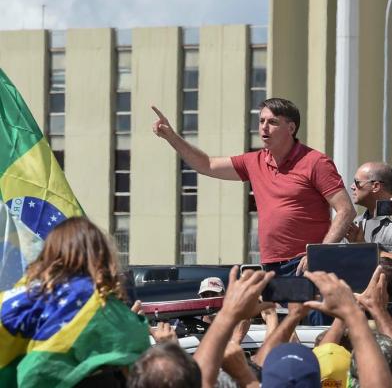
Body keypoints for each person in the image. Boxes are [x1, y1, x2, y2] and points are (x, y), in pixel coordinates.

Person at [152, 98, 355, 275]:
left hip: (307, 264)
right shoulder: (253, 161)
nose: (264, 127)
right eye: (261, 121)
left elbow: (346, 210)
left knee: (311, 321)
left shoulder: (316, 161)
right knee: (280, 321)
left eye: (272, 122)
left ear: (291, 128)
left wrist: (319, 253)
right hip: (270, 265)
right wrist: (171, 137)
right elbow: (206, 165)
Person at [0, 217, 150, 388]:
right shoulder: (101, 303)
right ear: (100, 255)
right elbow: (136, 352)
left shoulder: (13, 300)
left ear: (49, 252)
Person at [347, 162, 392, 296]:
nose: (352, 186)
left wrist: (365, 249)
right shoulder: (356, 224)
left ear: (376, 186)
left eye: (357, 182)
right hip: (361, 301)